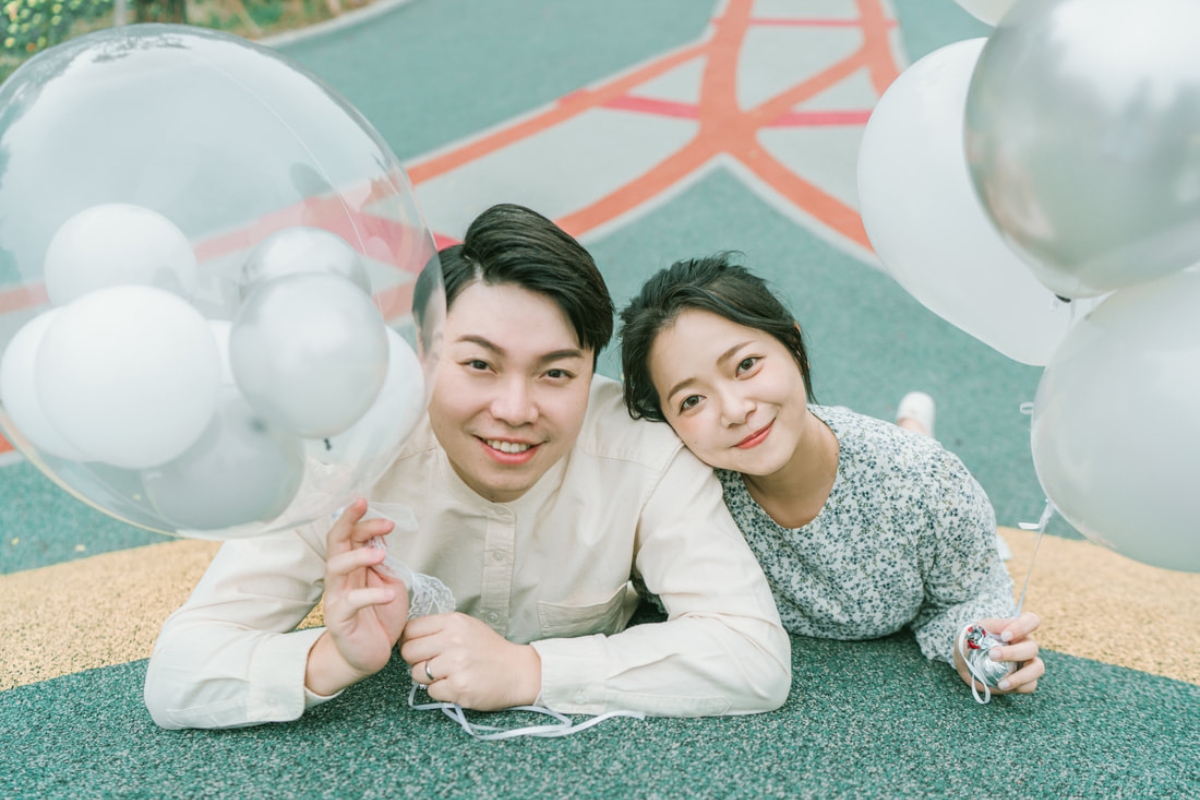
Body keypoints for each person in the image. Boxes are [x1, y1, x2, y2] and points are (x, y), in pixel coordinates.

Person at [143, 206, 790, 729]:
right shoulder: (342, 453)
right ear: (424, 354)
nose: (514, 409)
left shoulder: (643, 450)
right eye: (479, 364)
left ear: (596, 371)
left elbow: (752, 656)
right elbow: (177, 675)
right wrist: (328, 657)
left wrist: (530, 673)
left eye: (556, 373)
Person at [618, 253, 1045, 697]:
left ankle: (913, 424)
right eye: (691, 401)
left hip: (896, 461)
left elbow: (972, 598)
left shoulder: (929, 483)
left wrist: (975, 646)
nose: (734, 410)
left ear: (795, 348)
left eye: (746, 365)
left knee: (912, 452)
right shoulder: (674, 497)